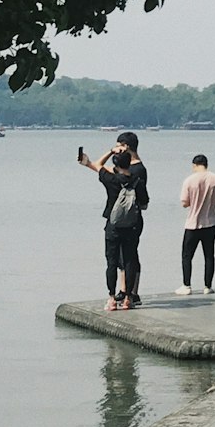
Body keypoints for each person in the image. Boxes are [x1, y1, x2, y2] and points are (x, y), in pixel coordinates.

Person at [79, 148, 149, 310]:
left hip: (113, 226)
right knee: (130, 260)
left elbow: (97, 165)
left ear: (116, 164)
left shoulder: (110, 179)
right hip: (132, 226)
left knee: (112, 262)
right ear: (129, 163)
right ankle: (128, 299)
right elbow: (144, 203)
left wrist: (111, 151)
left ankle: (111, 299)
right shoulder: (138, 181)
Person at [176, 154, 215, 295]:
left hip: (192, 224)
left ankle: (187, 286)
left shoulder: (189, 180)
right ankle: (207, 286)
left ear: (194, 165)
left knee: (187, 255)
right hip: (210, 223)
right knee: (209, 255)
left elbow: (184, 203)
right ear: (206, 164)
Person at [115, 131, 148, 305]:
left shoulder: (138, 169)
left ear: (126, 146)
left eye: (119, 145)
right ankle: (123, 289)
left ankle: (133, 292)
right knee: (121, 256)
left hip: (133, 217)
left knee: (131, 255)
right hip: (122, 217)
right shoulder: (124, 166)